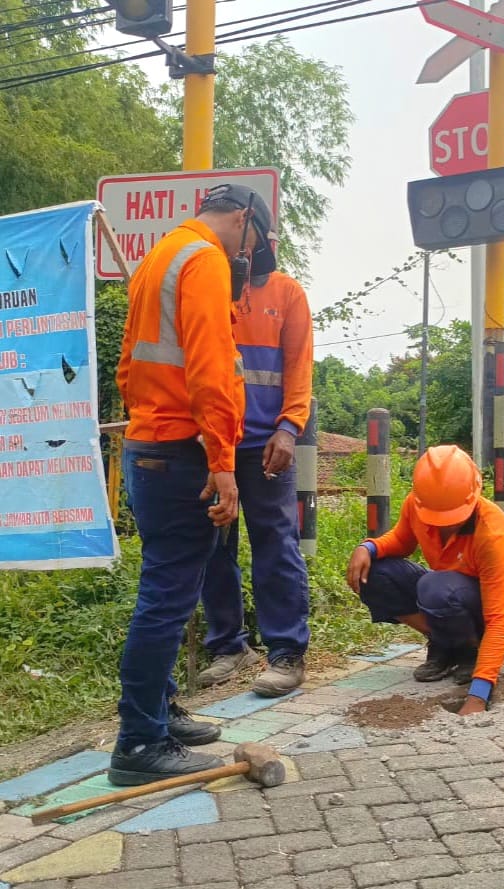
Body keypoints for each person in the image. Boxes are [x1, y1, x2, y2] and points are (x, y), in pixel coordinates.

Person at [112, 183, 275, 783]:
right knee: (167, 596)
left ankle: (157, 713)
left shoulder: (161, 254)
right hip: (181, 448)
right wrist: (222, 461)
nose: (247, 254)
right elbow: (210, 368)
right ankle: (139, 744)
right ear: (243, 217)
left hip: (151, 442)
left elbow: (129, 365)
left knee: (167, 588)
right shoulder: (204, 259)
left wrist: (150, 419)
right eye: (251, 242)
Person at [345, 445, 504, 713]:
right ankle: (446, 643)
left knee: (436, 589)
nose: (442, 525)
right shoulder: (418, 504)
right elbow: (401, 540)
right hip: (451, 590)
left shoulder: (493, 535)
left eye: (451, 517)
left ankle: (471, 650)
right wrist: (368, 548)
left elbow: (498, 620)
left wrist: (478, 696)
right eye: (435, 517)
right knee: (376, 574)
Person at [197, 262, 314, 697]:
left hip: (267, 442)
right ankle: (228, 646)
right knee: (211, 545)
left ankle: (286, 653)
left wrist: (289, 428)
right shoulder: (209, 285)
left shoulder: (288, 293)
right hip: (213, 443)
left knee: (276, 544)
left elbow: (299, 367)